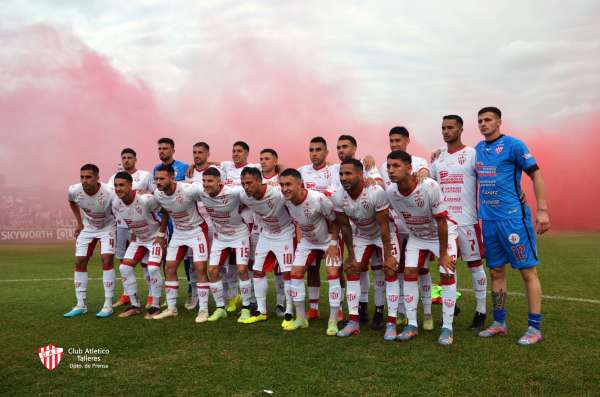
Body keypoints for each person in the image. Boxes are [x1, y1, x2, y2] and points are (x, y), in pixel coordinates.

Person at [474, 106, 550, 346]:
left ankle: (534, 328)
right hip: (489, 220)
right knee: (496, 271)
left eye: (488, 120)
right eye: (480, 121)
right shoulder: (476, 149)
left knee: (528, 271)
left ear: (499, 122)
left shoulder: (514, 145)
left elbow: (536, 174)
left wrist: (543, 209)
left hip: (513, 219)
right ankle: (499, 323)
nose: (483, 124)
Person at [386, 150, 459, 345]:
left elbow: (442, 222)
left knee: (446, 272)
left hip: (442, 233)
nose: (391, 171)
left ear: (409, 168)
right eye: (389, 167)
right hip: (417, 236)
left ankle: (447, 328)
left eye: (396, 166)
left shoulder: (430, 187)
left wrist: (443, 254)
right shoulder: (391, 192)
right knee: (409, 271)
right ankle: (411, 325)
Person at [430, 115, 488, 330]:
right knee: (446, 267)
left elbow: (488, 179)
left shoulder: (472, 154)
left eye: (450, 127)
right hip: (446, 224)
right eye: (443, 127)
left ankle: (481, 311)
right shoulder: (439, 159)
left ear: (461, 129)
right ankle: (450, 307)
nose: (446, 131)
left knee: (475, 266)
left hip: (468, 221)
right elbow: (430, 187)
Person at [331, 159, 396, 338]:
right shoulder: (338, 197)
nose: (344, 178)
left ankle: (391, 323)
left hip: (384, 234)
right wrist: (351, 255)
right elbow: (345, 227)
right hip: (362, 234)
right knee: (352, 269)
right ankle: (353, 321)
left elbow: (384, 227)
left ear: (360, 175)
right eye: (341, 174)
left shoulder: (376, 193)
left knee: (390, 271)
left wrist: (389, 254)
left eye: (348, 173)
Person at [380, 126, 434, 330]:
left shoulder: (419, 162)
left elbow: (426, 177)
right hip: (396, 226)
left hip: (417, 228)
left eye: (398, 140)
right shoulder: (385, 165)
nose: (394, 144)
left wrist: (425, 170)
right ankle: (401, 312)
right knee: (399, 269)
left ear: (407, 140)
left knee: (422, 269)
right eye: (391, 140)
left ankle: (427, 313)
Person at [280, 168, 341, 333]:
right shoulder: (285, 200)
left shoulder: (318, 199)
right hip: (308, 242)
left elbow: (335, 222)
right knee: (296, 274)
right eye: (282, 185)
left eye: (288, 184)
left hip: (328, 240)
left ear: (299, 185)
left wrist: (334, 244)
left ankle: (333, 321)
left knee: (333, 275)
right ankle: (301, 319)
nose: (284, 188)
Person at [331, 134, 384, 323]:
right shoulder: (335, 171)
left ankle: (379, 310)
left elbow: (381, 185)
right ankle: (361, 306)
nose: (341, 150)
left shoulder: (365, 164)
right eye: (338, 147)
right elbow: (333, 195)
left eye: (345, 146)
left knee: (378, 269)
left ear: (354, 148)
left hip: (375, 225)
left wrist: (373, 182)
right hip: (354, 228)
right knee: (357, 268)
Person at [151, 164, 213, 323]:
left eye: (162, 178)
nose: (158, 182)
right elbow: (165, 211)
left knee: (200, 268)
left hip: (197, 230)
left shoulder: (189, 189)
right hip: (178, 233)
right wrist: (161, 233)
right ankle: (171, 308)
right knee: (169, 267)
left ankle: (204, 310)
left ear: (172, 178)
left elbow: (210, 194)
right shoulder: (158, 194)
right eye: (156, 178)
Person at [239, 167, 296, 324]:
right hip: (266, 234)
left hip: (285, 234)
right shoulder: (244, 196)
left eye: (249, 183)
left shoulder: (278, 193)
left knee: (287, 273)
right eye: (243, 183)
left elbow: (297, 199)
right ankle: (261, 311)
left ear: (259, 180)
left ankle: (289, 311)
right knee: (257, 271)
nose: (246, 187)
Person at [199, 167, 254, 323]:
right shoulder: (200, 192)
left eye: (210, 181)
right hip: (220, 237)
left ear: (219, 182)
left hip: (239, 234)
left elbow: (252, 194)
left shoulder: (234, 192)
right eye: (204, 181)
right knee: (212, 270)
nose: (206, 184)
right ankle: (220, 308)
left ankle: (246, 307)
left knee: (242, 269)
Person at [111, 172, 168, 319]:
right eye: (116, 185)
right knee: (124, 268)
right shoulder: (116, 203)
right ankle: (135, 305)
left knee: (153, 268)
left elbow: (166, 211)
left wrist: (161, 235)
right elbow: (131, 221)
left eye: (122, 185)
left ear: (131, 185)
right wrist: (133, 236)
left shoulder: (146, 199)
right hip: (139, 239)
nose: (118, 188)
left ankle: (155, 306)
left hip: (156, 237)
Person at [64, 164, 116, 318]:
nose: (84, 180)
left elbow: (119, 208)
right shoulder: (74, 190)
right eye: (82, 177)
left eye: (88, 177)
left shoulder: (109, 192)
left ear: (97, 178)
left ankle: (108, 304)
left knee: (106, 259)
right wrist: (79, 223)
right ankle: (81, 305)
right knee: (79, 261)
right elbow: (72, 202)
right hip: (88, 227)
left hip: (108, 227)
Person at [152, 138, 196, 310]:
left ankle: (192, 292)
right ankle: (171, 296)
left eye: (165, 148)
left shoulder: (184, 167)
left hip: (184, 219)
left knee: (189, 259)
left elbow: (190, 188)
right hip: (167, 220)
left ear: (173, 150)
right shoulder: (156, 169)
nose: (162, 151)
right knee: (168, 259)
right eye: (160, 148)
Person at [297, 137, 338, 320]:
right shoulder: (302, 171)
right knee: (312, 269)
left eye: (318, 149)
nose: (314, 153)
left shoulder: (334, 170)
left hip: (331, 227)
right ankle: (313, 308)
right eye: (311, 150)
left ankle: (338, 309)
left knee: (335, 269)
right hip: (311, 230)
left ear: (326, 152)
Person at [109, 148, 154, 309]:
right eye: (124, 158)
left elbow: (156, 196)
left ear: (135, 159)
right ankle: (127, 295)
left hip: (144, 225)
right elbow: (111, 198)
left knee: (146, 263)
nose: (126, 160)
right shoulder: (113, 178)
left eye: (129, 157)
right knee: (124, 262)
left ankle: (151, 296)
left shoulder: (145, 176)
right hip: (124, 225)